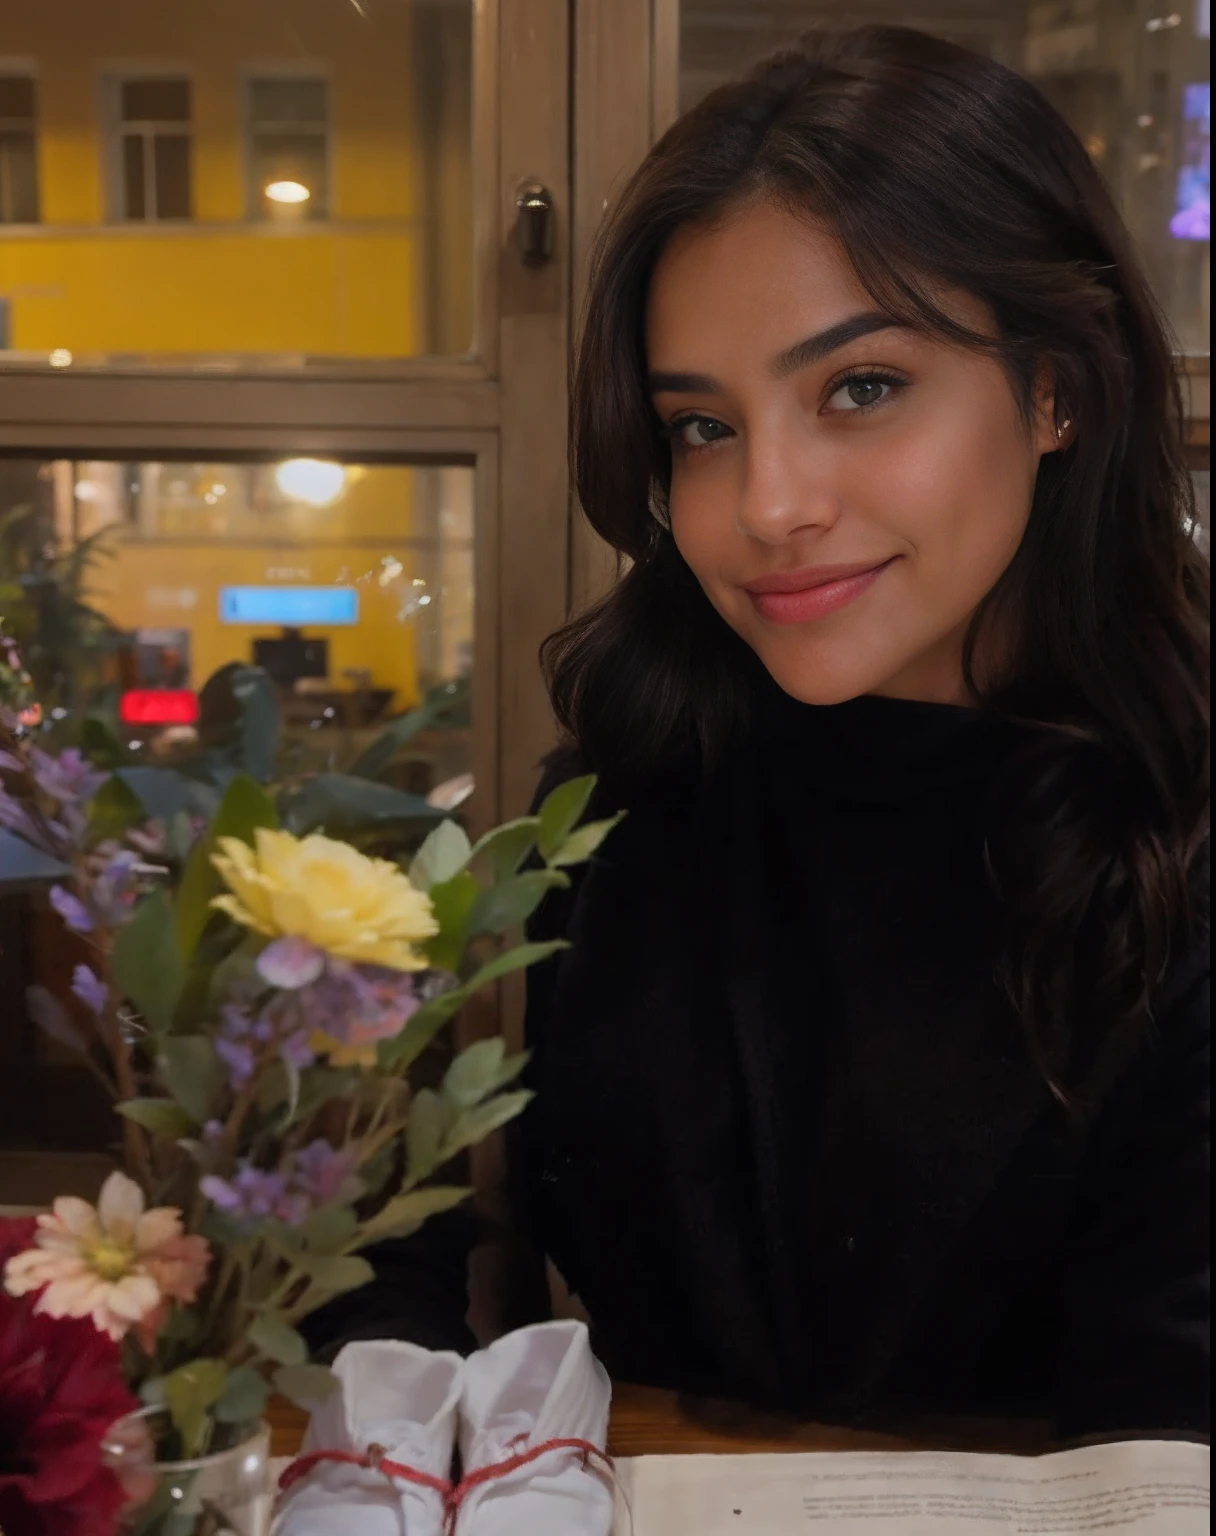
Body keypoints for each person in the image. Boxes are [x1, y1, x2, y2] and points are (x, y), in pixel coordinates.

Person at [315, 26, 1210, 1441]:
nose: (767, 505)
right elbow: (396, 1247)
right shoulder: (613, 804)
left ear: (1059, 387)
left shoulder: (1178, 838)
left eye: (860, 389)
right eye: (703, 428)